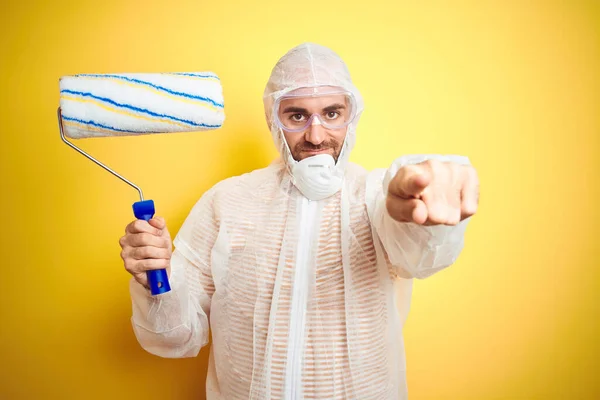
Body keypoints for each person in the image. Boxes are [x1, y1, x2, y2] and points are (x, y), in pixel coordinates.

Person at [119, 43, 479, 399]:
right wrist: (156, 275)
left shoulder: (374, 198)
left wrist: (422, 214)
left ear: (352, 115)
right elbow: (175, 337)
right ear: (273, 119)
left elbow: (421, 254)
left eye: (332, 113)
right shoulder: (226, 202)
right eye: (297, 116)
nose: (316, 135)